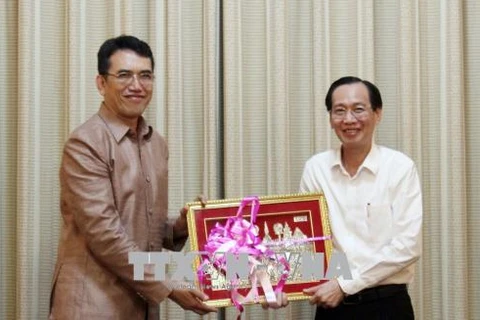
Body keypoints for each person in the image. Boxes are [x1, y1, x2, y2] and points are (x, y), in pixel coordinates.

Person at [49, 35, 218, 319]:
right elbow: (105, 234)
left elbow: (141, 227)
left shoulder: (156, 144)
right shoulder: (86, 143)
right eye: (124, 75)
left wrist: (181, 225)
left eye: (145, 76)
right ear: (101, 83)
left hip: (141, 304)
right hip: (93, 304)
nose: (136, 86)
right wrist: (169, 287)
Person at [300, 76, 422, 319]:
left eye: (358, 109)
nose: (348, 119)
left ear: (377, 114)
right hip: (333, 309)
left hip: (386, 305)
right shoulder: (316, 169)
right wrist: (277, 284)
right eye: (339, 111)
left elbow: (407, 246)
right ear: (330, 119)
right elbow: (307, 242)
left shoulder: (399, 167)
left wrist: (345, 285)